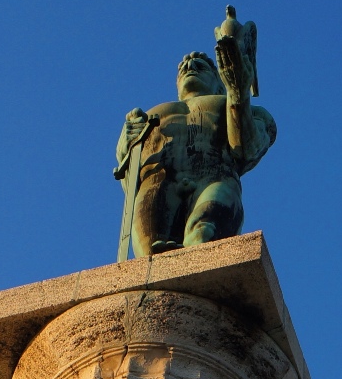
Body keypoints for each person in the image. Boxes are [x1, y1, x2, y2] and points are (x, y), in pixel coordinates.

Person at [116, 40, 276, 256]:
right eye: (183, 69)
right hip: (158, 184)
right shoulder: (154, 113)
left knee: (204, 235)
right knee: (149, 258)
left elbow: (247, 148)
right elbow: (129, 176)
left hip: (214, 177)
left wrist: (237, 92)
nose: (190, 68)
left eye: (200, 66)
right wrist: (126, 143)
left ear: (219, 82)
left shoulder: (243, 108)